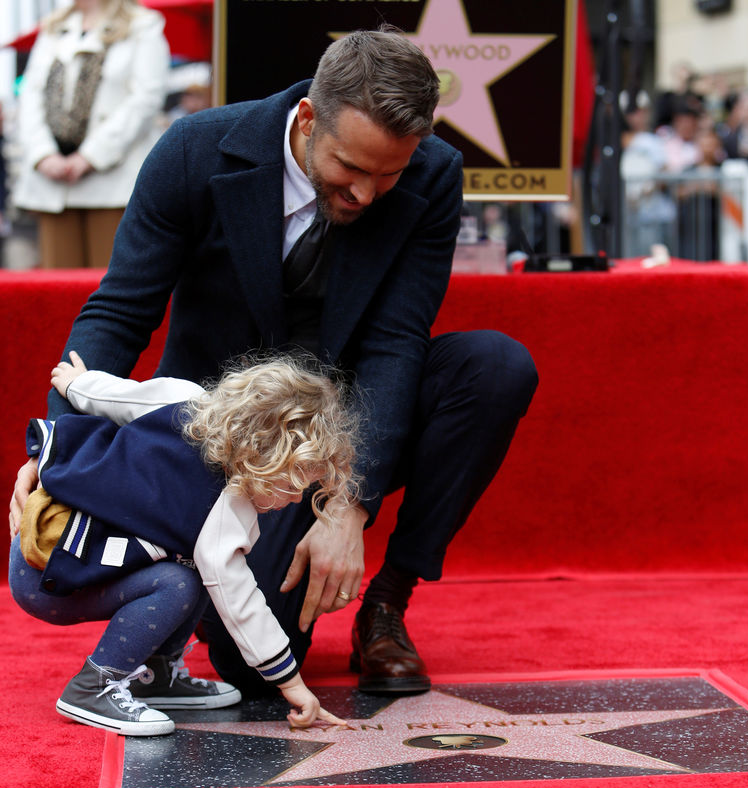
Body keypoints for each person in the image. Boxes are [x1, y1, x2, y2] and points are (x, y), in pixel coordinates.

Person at [9, 28, 538, 697]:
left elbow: (395, 341)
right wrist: (61, 456)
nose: (368, 194)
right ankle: (200, 583)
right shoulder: (194, 151)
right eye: (352, 168)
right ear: (309, 119)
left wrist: (350, 504)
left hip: (347, 416)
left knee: (493, 367)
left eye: (390, 173)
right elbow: (118, 314)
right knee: (248, 666)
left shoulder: (432, 174)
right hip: (227, 438)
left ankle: (388, 603)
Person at [10, 351, 356, 735]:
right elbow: (240, 602)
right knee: (183, 582)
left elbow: (118, 396)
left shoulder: (187, 400)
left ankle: (156, 674)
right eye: (293, 485)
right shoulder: (227, 509)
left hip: (48, 534)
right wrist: (292, 684)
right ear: (264, 455)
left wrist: (77, 383)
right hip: (51, 577)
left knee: (194, 565)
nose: (295, 500)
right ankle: (93, 686)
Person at [12, 0, 169, 268]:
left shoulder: (143, 25)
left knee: (110, 282)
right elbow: (30, 95)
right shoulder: (54, 27)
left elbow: (146, 98)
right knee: (57, 289)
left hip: (112, 182)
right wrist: (43, 154)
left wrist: (90, 156)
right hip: (53, 183)